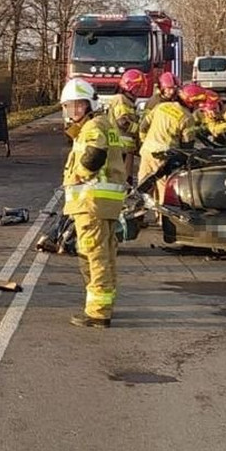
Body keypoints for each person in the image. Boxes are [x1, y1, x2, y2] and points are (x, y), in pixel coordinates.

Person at [61, 78, 127, 328]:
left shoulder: (92, 128)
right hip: (105, 203)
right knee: (106, 255)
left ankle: (98, 312)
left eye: (75, 106)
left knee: (93, 256)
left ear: (86, 105)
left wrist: (80, 173)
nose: (71, 111)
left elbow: (94, 155)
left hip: (91, 204)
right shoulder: (105, 123)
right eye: (68, 106)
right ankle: (105, 303)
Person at [139, 81, 202, 210]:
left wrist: (144, 141)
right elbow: (187, 146)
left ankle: (138, 218)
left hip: (147, 151)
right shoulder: (187, 117)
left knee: (143, 186)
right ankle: (163, 220)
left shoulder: (162, 106)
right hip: (164, 156)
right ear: (191, 103)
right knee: (163, 189)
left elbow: (143, 125)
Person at [112, 69, 146, 181]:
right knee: (120, 176)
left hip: (126, 147)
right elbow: (122, 122)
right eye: (137, 88)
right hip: (120, 147)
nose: (139, 91)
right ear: (128, 87)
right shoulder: (121, 100)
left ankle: (127, 192)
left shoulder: (128, 101)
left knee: (126, 177)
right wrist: (139, 128)